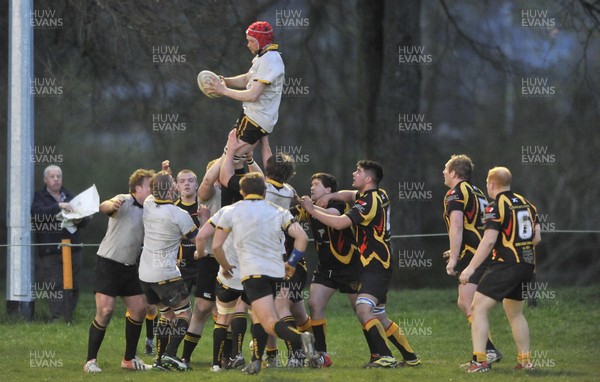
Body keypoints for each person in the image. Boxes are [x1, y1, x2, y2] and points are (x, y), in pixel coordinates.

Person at [302, 160, 420, 368]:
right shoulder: (376, 194)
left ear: (368, 179)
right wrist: (330, 196)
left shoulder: (367, 202)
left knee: (363, 309)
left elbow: (340, 223)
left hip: (375, 263)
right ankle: (410, 357)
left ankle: (384, 356)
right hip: (375, 264)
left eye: (358, 171)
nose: (353, 173)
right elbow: (349, 195)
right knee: (378, 314)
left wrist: (311, 210)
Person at [211, 172, 319, 375]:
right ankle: (256, 361)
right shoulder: (278, 210)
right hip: (277, 273)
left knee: (268, 321)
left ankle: (300, 339)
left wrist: (225, 266)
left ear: (242, 191)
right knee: (260, 318)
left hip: (254, 274)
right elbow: (302, 237)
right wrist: (292, 263)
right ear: (264, 191)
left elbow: (217, 245)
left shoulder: (231, 211)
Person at [459, 167, 541, 372]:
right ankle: (525, 360)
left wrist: (470, 268)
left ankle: (479, 361)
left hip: (506, 265)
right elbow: (537, 238)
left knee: (478, 308)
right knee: (515, 313)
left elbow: (488, 242)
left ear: (491, 184)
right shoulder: (529, 205)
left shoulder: (495, 207)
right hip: (527, 265)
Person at [83, 169, 155, 373]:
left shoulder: (150, 208)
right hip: (108, 264)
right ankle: (90, 361)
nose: (153, 190)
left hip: (130, 267)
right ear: (138, 188)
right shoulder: (124, 199)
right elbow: (104, 205)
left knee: (140, 309)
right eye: (150, 186)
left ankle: (129, 360)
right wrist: (111, 205)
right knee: (105, 311)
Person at [291, 172, 362, 367]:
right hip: (325, 269)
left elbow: (335, 217)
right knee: (314, 305)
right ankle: (322, 355)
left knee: (362, 311)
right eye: (311, 184)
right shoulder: (310, 208)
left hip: (349, 267)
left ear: (329, 190)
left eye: (316, 184)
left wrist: (310, 207)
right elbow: (289, 216)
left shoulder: (338, 204)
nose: (312, 187)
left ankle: (380, 353)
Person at [442, 155, 501, 363]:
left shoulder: (455, 193)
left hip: (473, 254)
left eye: (446, 170)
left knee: (468, 302)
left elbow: (458, 225)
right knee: (470, 303)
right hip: (479, 251)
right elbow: (475, 224)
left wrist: (454, 258)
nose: (443, 173)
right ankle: (487, 351)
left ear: (455, 173)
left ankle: (486, 352)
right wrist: (455, 251)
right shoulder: (477, 191)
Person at [138, 171, 199, 371]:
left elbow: (158, 189)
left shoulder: (147, 203)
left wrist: (165, 177)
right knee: (184, 315)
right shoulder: (180, 215)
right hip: (166, 274)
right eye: (174, 184)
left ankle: (159, 360)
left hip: (145, 275)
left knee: (166, 316)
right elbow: (198, 240)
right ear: (172, 189)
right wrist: (207, 220)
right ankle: (171, 355)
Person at [205, 21, 283, 164]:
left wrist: (224, 90)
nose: (248, 45)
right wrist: (225, 81)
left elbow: (253, 95)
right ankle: (261, 184)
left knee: (228, 160)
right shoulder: (264, 57)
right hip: (257, 117)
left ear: (261, 41)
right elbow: (248, 78)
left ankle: (214, 186)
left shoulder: (269, 60)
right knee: (237, 160)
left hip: (255, 118)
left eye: (251, 41)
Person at [31, 165, 89, 323]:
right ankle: (58, 319)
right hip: (50, 250)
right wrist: (58, 206)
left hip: (73, 248)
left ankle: (69, 318)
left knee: (74, 285)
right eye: (52, 176)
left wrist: (80, 219)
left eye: (58, 176)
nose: (56, 179)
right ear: (45, 179)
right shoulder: (39, 197)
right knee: (55, 285)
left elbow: (85, 218)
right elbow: (36, 215)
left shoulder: (71, 196)